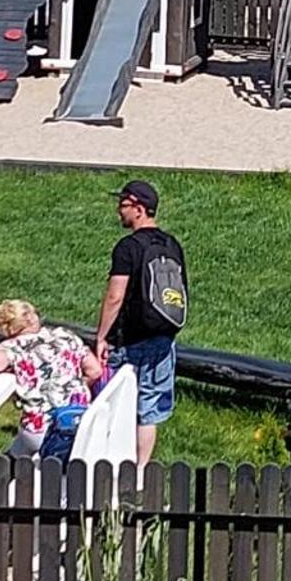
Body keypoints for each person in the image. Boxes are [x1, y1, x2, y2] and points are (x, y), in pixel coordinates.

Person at [93, 180, 187, 467]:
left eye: (122, 205)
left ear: (138, 208)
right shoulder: (172, 244)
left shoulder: (128, 247)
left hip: (130, 341)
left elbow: (115, 296)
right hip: (163, 338)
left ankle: (109, 463)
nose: (118, 211)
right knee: (150, 411)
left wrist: (101, 337)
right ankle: (141, 471)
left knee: (114, 403)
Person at [0, 299, 103, 457]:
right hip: (79, 420)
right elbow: (95, 370)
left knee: (22, 445)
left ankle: (0, 473)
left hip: (41, 429)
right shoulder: (65, 335)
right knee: (19, 448)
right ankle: (7, 465)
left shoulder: (14, 348)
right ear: (31, 318)